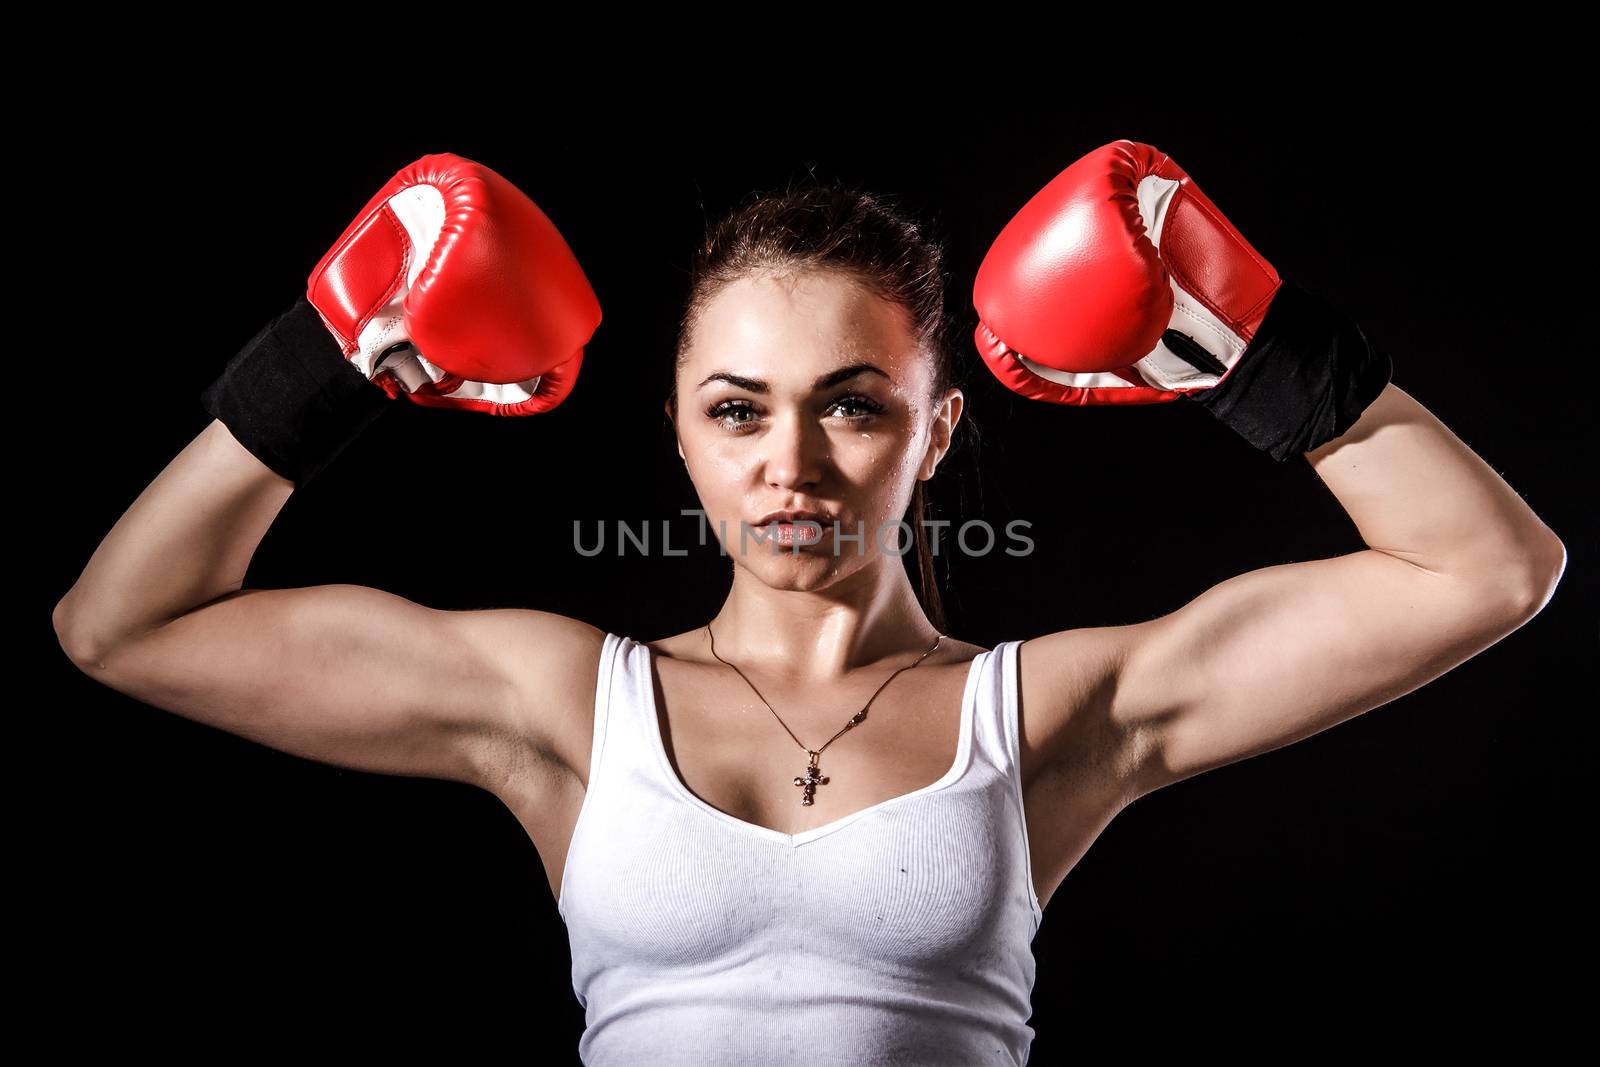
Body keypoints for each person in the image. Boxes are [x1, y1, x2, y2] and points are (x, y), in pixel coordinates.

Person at [52, 141, 1566, 1066]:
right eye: (736, 409)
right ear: (679, 435)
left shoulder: (1045, 715)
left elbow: (1489, 570)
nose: (791, 464)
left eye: (852, 406)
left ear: (938, 431)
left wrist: (1257, 346)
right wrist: (330, 358)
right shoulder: (560, 705)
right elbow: (122, 626)